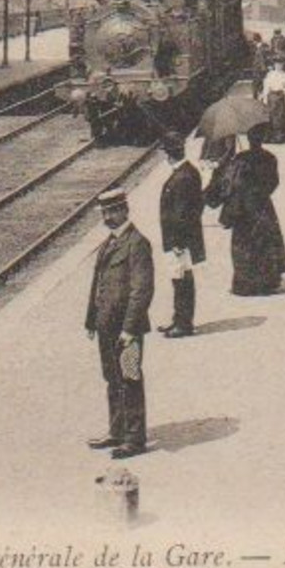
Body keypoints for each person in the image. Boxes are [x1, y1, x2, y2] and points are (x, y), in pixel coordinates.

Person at [85, 188, 155, 460]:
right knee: (111, 378)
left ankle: (135, 438)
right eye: (104, 212)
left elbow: (142, 291)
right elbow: (98, 285)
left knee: (130, 377)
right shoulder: (110, 242)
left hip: (128, 328)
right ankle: (117, 431)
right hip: (106, 325)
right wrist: (91, 320)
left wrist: (129, 328)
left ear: (124, 210)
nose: (107, 217)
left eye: (112, 211)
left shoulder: (137, 243)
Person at [222, 126, 285, 295]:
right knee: (265, 243)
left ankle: (246, 283)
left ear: (249, 139)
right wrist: (262, 193)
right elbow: (274, 182)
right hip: (263, 205)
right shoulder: (270, 158)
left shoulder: (240, 158)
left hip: (243, 207)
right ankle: (267, 281)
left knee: (244, 244)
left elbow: (229, 183)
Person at [157, 133, 205, 339]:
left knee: (181, 279)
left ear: (169, 154)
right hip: (181, 238)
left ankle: (183, 323)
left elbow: (183, 212)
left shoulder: (182, 176)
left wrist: (178, 241)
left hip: (179, 240)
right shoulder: (188, 172)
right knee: (180, 278)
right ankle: (179, 319)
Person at [260, 58, 285, 143]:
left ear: (283, 65)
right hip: (271, 97)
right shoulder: (270, 74)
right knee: (270, 117)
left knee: (280, 118)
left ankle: (280, 137)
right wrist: (264, 96)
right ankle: (269, 137)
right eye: (277, 65)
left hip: (280, 97)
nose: (278, 66)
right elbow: (266, 86)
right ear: (274, 65)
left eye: (280, 65)